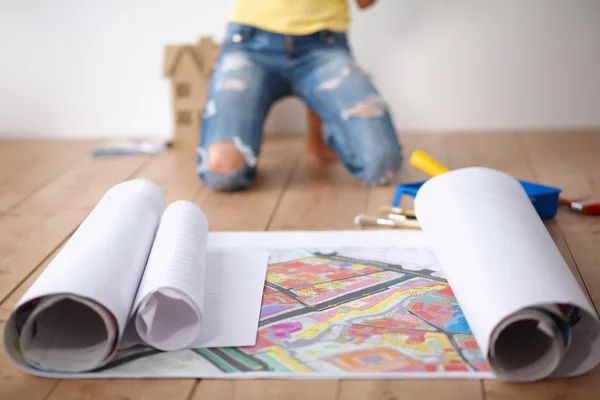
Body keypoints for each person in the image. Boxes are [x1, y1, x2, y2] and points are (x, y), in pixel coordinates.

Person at [197, 0, 403, 191]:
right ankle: (248, 137)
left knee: (382, 164)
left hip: (324, 44)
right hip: (250, 41)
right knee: (222, 173)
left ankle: (326, 128)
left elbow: (365, 3)